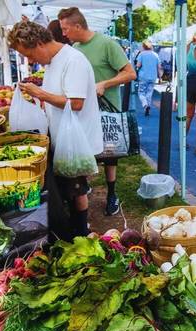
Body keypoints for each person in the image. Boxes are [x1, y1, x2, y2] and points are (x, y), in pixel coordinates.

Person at [8, 21, 103, 237]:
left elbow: (76, 103)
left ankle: (80, 232)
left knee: (76, 188)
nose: (30, 61)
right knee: (67, 187)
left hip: (77, 140)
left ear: (40, 43)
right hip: (62, 136)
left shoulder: (73, 60)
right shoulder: (53, 62)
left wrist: (41, 94)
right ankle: (70, 229)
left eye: (29, 54)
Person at [58, 7, 137, 216]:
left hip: (107, 111)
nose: (64, 34)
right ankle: (84, 189)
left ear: (77, 25)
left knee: (110, 155)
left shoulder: (107, 44)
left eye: (66, 29)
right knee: (85, 152)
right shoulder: (75, 47)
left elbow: (130, 73)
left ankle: (112, 194)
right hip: (84, 110)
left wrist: (105, 84)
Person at [136, 40, 162, 116]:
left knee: (141, 92)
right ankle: (148, 107)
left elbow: (138, 65)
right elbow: (159, 67)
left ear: (143, 46)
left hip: (143, 76)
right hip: (153, 77)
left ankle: (145, 105)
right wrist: (160, 77)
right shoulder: (155, 55)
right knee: (149, 93)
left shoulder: (141, 54)